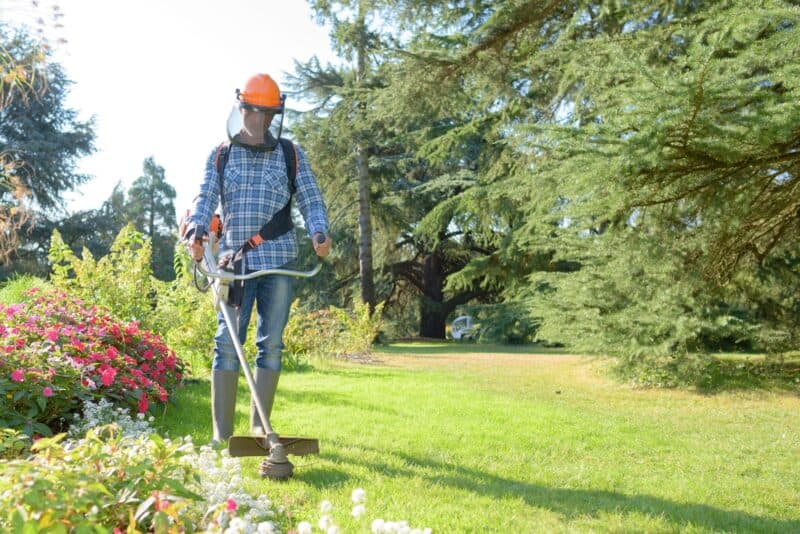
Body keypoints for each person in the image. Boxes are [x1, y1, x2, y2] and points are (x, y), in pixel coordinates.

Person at [182, 73, 331, 444]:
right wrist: (196, 232)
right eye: (251, 111)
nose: (256, 120)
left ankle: (259, 429)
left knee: (272, 343)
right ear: (241, 109)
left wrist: (319, 232)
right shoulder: (222, 154)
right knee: (226, 343)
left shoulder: (289, 154)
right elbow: (205, 198)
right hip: (235, 264)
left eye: (264, 114)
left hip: (278, 261)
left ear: (272, 116)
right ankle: (222, 435)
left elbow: (311, 199)